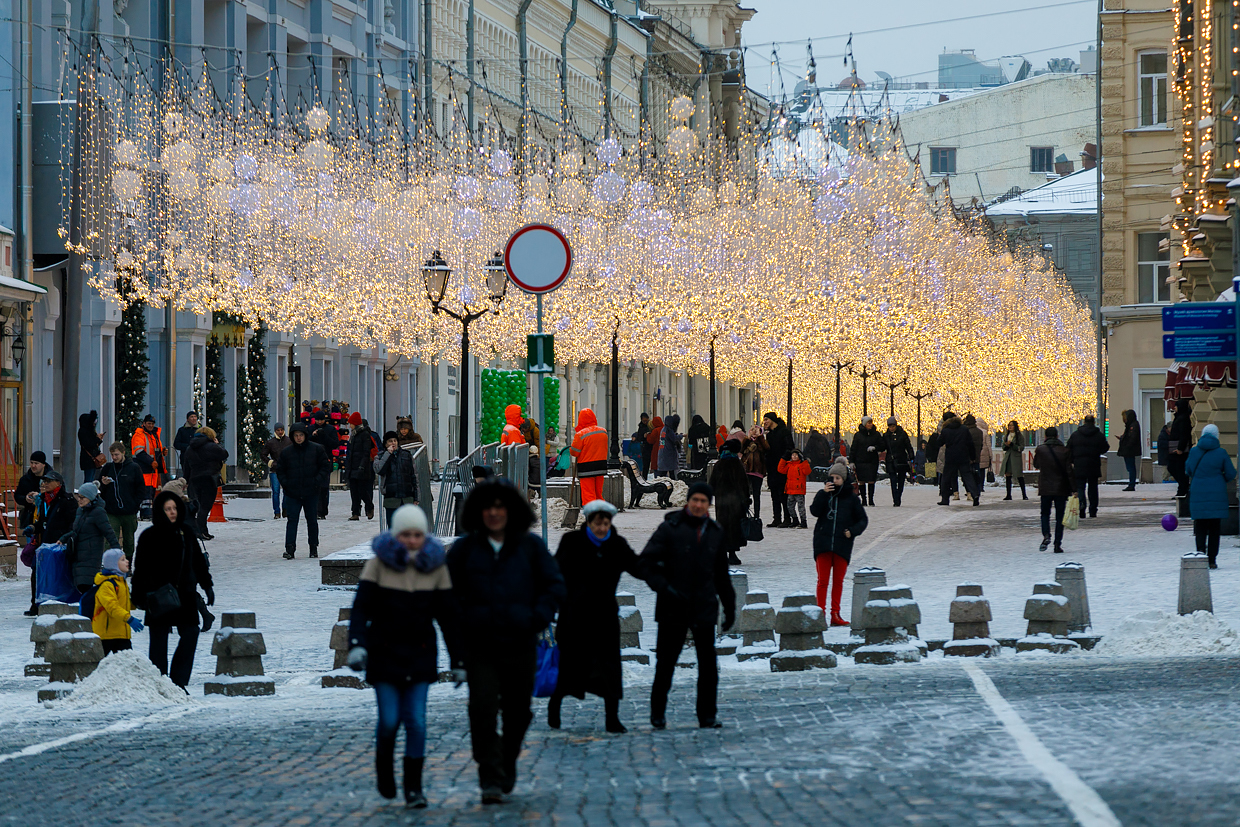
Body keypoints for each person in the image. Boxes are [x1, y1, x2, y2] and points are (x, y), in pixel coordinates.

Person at [446, 479, 565, 805]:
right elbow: (448, 597)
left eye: (500, 507)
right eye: (488, 507)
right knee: (482, 708)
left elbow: (553, 585)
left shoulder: (529, 547)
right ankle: (489, 774)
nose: (495, 513)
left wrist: (537, 617)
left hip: (520, 643)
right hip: (479, 645)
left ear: (511, 511)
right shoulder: (464, 550)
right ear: (478, 512)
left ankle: (507, 758)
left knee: (517, 711)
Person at [346, 504, 463, 809]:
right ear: (396, 536)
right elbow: (361, 609)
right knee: (389, 720)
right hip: (384, 655)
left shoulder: (436, 567)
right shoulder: (378, 565)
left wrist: (459, 660)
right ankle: (384, 771)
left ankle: (414, 788)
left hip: (420, 655)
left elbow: (448, 618)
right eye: (406, 535)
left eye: (417, 535)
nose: (412, 540)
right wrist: (357, 644)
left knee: (417, 722)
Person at [640, 482, 735, 730]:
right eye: (695, 500)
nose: (698, 504)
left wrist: (730, 606)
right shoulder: (670, 527)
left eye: (704, 501)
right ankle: (657, 714)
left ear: (708, 505)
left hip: (704, 605)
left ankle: (707, 715)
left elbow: (722, 575)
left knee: (707, 665)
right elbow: (646, 563)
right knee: (666, 663)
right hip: (673, 605)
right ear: (688, 501)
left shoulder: (715, 532)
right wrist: (663, 587)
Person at [549, 499, 645, 734]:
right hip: (574, 619)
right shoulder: (571, 542)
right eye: (597, 524)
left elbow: (638, 567)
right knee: (570, 668)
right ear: (589, 522)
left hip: (604, 620)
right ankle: (555, 704)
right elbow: (554, 576)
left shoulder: (617, 544)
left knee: (610, 670)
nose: (602, 529)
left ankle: (612, 718)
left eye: (606, 524)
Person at [131, 491, 214, 689]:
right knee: (158, 641)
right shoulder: (149, 536)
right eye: (168, 509)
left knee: (191, 633)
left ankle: (178, 681)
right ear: (160, 511)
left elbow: (198, 562)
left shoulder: (185, 532)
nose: (172, 512)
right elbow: (140, 567)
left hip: (184, 595)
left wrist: (207, 585)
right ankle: (160, 682)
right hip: (158, 596)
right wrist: (138, 595)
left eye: (175, 508)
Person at [810, 462, 868, 626]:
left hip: (842, 545)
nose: (834, 481)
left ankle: (835, 614)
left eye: (837, 478)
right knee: (822, 581)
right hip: (823, 543)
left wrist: (852, 531)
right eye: (832, 478)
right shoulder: (824, 494)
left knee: (838, 581)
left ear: (844, 479)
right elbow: (814, 511)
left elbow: (863, 519)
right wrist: (822, 494)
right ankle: (819, 613)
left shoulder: (852, 499)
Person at [276, 421, 333, 559]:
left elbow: (325, 467)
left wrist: (316, 481)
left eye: (301, 435)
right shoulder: (287, 452)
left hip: (311, 491)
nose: (299, 438)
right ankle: (290, 549)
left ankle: (313, 548)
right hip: (293, 492)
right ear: (292, 436)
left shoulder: (316, 449)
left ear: (305, 435)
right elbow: (280, 470)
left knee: (312, 520)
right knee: (292, 520)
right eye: (296, 435)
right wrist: (286, 484)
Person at [1186, 423, 1235, 570]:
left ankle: (1200, 556)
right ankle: (1212, 560)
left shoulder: (1194, 452)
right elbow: (1231, 473)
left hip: (1198, 493)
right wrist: (1220, 480)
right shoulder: (1221, 453)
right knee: (1214, 528)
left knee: (1200, 527)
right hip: (1217, 495)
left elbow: (1188, 470)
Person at [27, 472, 77, 614]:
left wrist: (65, 539)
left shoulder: (67, 500)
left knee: (57, 576)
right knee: (37, 574)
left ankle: (57, 605)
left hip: (59, 545)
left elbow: (72, 524)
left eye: (49, 481)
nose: (45, 484)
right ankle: (36, 605)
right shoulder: (43, 500)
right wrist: (32, 527)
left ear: (58, 483)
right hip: (45, 545)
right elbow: (43, 521)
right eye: (44, 481)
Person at [61, 482, 120, 594]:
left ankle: (89, 610)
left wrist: (117, 551)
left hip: (90, 556)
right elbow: (76, 531)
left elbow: (109, 532)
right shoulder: (80, 511)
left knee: (85, 585)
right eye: (79, 497)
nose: (80, 500)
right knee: (79, 586)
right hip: (78, 555)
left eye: (83, 497)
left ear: (91, 498)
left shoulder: (98, 512)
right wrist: (63, 538)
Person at [90, 548, 144, 655]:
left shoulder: (121, 583)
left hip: (121, 633)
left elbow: (124, 603)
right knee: (104, 666)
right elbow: (112, 607)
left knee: (126, 664)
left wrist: (139, 603)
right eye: (123, 559)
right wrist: (129, 618)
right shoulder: (107, 585)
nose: (127, 561)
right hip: (106, 636)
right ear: (113, 564)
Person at [99, 442, 145, 560]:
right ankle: (111, 562)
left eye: (116, 455)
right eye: (112, 455)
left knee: (128, 540)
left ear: (123, 453)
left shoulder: (134, 468)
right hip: (111, 510)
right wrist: (103, 485)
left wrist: (135, 505)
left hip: (129, 511)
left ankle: (128, 562)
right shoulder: (108, 468)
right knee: (110, 539)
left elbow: (141, 488)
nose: (114, 457)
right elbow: (98, 488)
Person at [182, 426, 229, 541]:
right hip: (209, 479)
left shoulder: (190, 448)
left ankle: (202, 530)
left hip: (194, 479)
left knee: (196, 505)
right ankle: (200, 530)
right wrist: (217, 444)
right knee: (205, 506)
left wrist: (186, 480)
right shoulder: (212, 446)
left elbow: (186, 466)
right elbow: (224, 454)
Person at [710, 439, 752, 564]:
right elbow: (743, 484)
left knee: (722, 526)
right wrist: (745, 499)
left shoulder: (719, 464)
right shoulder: (737, 465)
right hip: (736, 503)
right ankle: (732, 554)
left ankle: (722, 552)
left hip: (722, 502)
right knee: (734, 527)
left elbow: (712, 484)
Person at [1033, 426, 1074, 553]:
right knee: (1060, 516)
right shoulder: (1065, 451)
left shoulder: (1040, 450)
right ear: (1057, 436)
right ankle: (1057, 544)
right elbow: (1069, 471)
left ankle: (1046, 535)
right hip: (1061, 488)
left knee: (1045, 514)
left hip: (1045, 487)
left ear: (1045, 437)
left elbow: (1036, 465)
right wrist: (1074, 488)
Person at [1066, 415, 1109, 519]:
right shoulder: (1098, 435)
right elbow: (1105, 447)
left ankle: (1081, 506)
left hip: (1079, 465)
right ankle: (1093, 510)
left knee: (1080, 487)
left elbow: (1068, 449)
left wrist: (1072, 460)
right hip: (1093, 464)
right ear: (1094, 422)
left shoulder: (1075, 435)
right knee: (1093, 487)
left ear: (1084, 422)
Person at [375, 431, 419, 525]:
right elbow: (379, 470)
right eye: (390, 441)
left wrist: (416, 496)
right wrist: (388, 454)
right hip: (391, 498)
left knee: (407, 527)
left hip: (407, 498)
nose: (393, 443)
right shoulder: (381, 456)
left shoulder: (406, 455)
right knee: (393, 527)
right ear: (386, 443)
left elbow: (414, 475)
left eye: (395, 440)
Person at [938, 414, 980, 506]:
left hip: (950, 457)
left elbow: (939, 442)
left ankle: (945, 499)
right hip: (963, 456)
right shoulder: (964, 429)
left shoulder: (945, 430)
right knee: (967, 476)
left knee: (946, 477)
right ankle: (975, 494)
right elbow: (970, 443)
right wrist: (972, 457)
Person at [570, 408, 608, 505]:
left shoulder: (581, 434)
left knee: (588, 494)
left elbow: (574, 452)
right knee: (598, 493)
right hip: (601, 466)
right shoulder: (603, 432)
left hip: (586, 468)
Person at [762, 412, 794, 527]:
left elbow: (790, 448)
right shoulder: (769, 434)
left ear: (772, 420)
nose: (764, 422)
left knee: (783, 494)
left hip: (782, 468)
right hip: (772, 468)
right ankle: (777, 518)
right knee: (774, 494)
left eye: (766, 419)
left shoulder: (784, 432)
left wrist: (783, 460)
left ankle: (787, 518)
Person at [346, 413, 378, 521]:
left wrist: (362, 466)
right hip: (352, 466)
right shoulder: (353, 435)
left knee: (362, 490)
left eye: (351, 423)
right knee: (353, 491)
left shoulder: (364, 435)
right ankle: (355, 512)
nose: (349, 425)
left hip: (362, 467)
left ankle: (369, 506)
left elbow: (366, 452)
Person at [310, 412, 341, 519]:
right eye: (317, 420)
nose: (319, 422)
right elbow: (307, 443)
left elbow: (335, 444)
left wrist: (324, 436)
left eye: (321, 420)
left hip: (326, 460)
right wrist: (313, 436)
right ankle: (317, 510)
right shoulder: (311, 428)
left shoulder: (330, 429)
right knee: (315, 487)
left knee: (324, 487)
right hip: (313, 461)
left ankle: (323, 510)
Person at [850, 416, 884, 507]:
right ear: (864, 424)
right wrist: (852, 461)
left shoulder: (876, 434)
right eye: (868, 423)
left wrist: (875, 448)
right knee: (861, 481)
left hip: (872, 461)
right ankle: (864, 500)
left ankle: (871, 499)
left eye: (871, 422)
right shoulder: (858, 435)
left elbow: (882, 445)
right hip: (860, 461)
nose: (870, 424)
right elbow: (853, 449)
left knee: (871, 480)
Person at [131, 415, 168, 496]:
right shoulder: (139, 435)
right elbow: (139, 452)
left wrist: (162, 452)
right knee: (146, 497)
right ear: (144, 423)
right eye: (149, 423)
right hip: (144, 472)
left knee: (151, 497)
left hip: (153, 472)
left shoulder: (154, 435)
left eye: (152, 424)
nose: (151, 425)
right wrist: (151, 462)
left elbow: (154, 451)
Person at [882, 416, 914, 507]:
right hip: (891, 459)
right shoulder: (886, 435)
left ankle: (898, 495)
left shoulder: (902, 434)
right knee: (892, 479)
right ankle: (895, 499)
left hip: (901, 459)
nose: (891, 428)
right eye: (890, 426)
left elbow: (908, 445)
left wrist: (911, 456)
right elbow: (883, 446)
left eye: (893, 426)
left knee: (901, 480)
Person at [262, 423, 291, 518]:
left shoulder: (289, 441)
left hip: (287, 469)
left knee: (287, 491)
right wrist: (270, 462)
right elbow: (263, 454)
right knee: (276, 491)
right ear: (275, 431)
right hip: (275, 469)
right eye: (278, 430)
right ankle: (277, 512)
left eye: (281, 430)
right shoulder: (270, 442)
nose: (280, 432)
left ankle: (285, 509)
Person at [777, 449, 811, 529]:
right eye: (793, 455)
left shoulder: (802, 464)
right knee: (790, 507)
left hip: (799, 490)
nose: (794, 456)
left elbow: (807, 472)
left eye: (796, 455)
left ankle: (803, 522)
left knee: (801, 508)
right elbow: (780, 469)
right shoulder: (789, 465)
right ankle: (795, 520)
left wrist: (805, 462)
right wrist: (783, 459)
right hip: (790, 490)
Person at [16, 450, 49, 531]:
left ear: (43, 465)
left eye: (36, 463)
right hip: (30, 517)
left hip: (46, 518)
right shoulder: (25, 479)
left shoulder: (52, 479)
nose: (33, 466)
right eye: (31, 463)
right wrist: (26, 499)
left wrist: (40, 496)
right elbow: (17, 496)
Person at [1167, 399, 1193, 498]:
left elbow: (1184, 435)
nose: (1174, 408)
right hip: (1176, 448)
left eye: (1176, 406)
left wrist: (1180, 448)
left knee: (1177, 469)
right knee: (1175, 468)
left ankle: (1183, 489)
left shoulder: (1183, 419)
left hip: (1179, 450)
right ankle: (1182, 488)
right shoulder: (1180, 417)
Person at [741, 425, 768, 521]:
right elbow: (741, 450)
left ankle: (757, 515)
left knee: (757, 495)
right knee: (745, 494)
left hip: (758, 471)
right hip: (747, 471)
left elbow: (766, 449)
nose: (753, 431)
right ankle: (745, 513)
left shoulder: (761, 441)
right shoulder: (748, 441)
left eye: (756, 430)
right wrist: (747, 438)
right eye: (752, 429)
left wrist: (759, 437)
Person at [1000, 421, 1028, 500]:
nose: (1010, 427)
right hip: (1008, 457)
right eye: (1009, 425)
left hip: (1015, 457)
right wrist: (1006, 445)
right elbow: (1003, 447)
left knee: (1019, 475)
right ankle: (1008, 494)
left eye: (1012, 425)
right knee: (1008, 475)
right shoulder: (1006, 436)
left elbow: (1021, 447)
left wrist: (1013, 445)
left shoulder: (1019, 436)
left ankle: (1024, 494)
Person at [1117, 410, 1142, 492]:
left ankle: (1132, 484)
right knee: (1130, 467)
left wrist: (1126, 444)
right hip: (1129, 450)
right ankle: (1131, 484)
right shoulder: (1131, 425)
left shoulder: (1132, 426)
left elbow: (1132, 438)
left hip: (1129, 450)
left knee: (1131, 467)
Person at [78, 410, 105, 484]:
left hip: (90, 458)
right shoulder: (84, 431)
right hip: (89, 459)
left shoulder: (87, 431)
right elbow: (90, 444)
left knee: (91, 478)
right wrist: (98, 439)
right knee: (89, 479)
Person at [658, 414, 682, 479]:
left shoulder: (663, 429)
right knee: (672, 473)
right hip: (669, 454)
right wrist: (681, 436)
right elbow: (674, 439)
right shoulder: (669, 430)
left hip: (662, 454)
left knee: (662, 474)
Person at [634, 413, 653, 479]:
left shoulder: (650, 425)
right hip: (645, 447)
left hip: (651, 446)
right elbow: (639, 438)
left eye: (646, 421)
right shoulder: (641, 427)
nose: (645, 422)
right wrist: (643, 436)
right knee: (646, 464)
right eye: (644, 421)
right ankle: (644, 477)